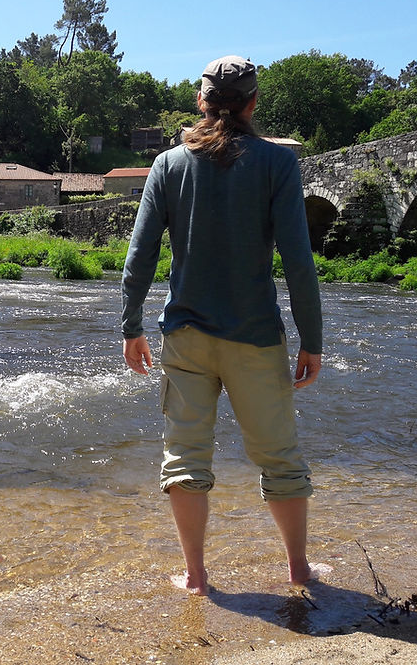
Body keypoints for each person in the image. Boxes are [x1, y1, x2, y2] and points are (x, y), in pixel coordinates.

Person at [120, 55, 322, 595]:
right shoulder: (278, 164)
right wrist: (313, 339)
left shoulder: (168, 164)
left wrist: (130, 326)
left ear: (200, 100)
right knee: (279, 455)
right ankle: (299, 571)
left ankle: (195, 576)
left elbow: (140, 255)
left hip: (185, 336)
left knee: (184, 456)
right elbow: (298, 261)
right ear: (254, 104)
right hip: (256, 336)